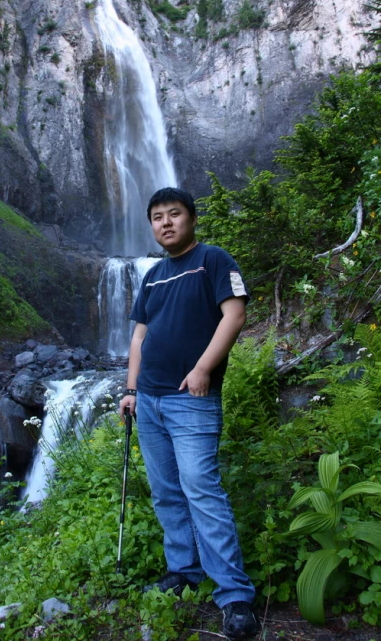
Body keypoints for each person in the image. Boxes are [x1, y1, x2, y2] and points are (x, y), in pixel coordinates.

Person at [119, 187, 257, 641]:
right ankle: (184, 570)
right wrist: (130, 389)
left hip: (190, 398)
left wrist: (203, 369)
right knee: (166, 492)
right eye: (157, 216)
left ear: (191, 219)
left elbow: (233, 315)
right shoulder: (153, 276)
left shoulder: (214, 260)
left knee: (202, 489)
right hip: (151, 402)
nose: (165, 223)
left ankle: (234, 595)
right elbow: (140, 338)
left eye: (173, 214)